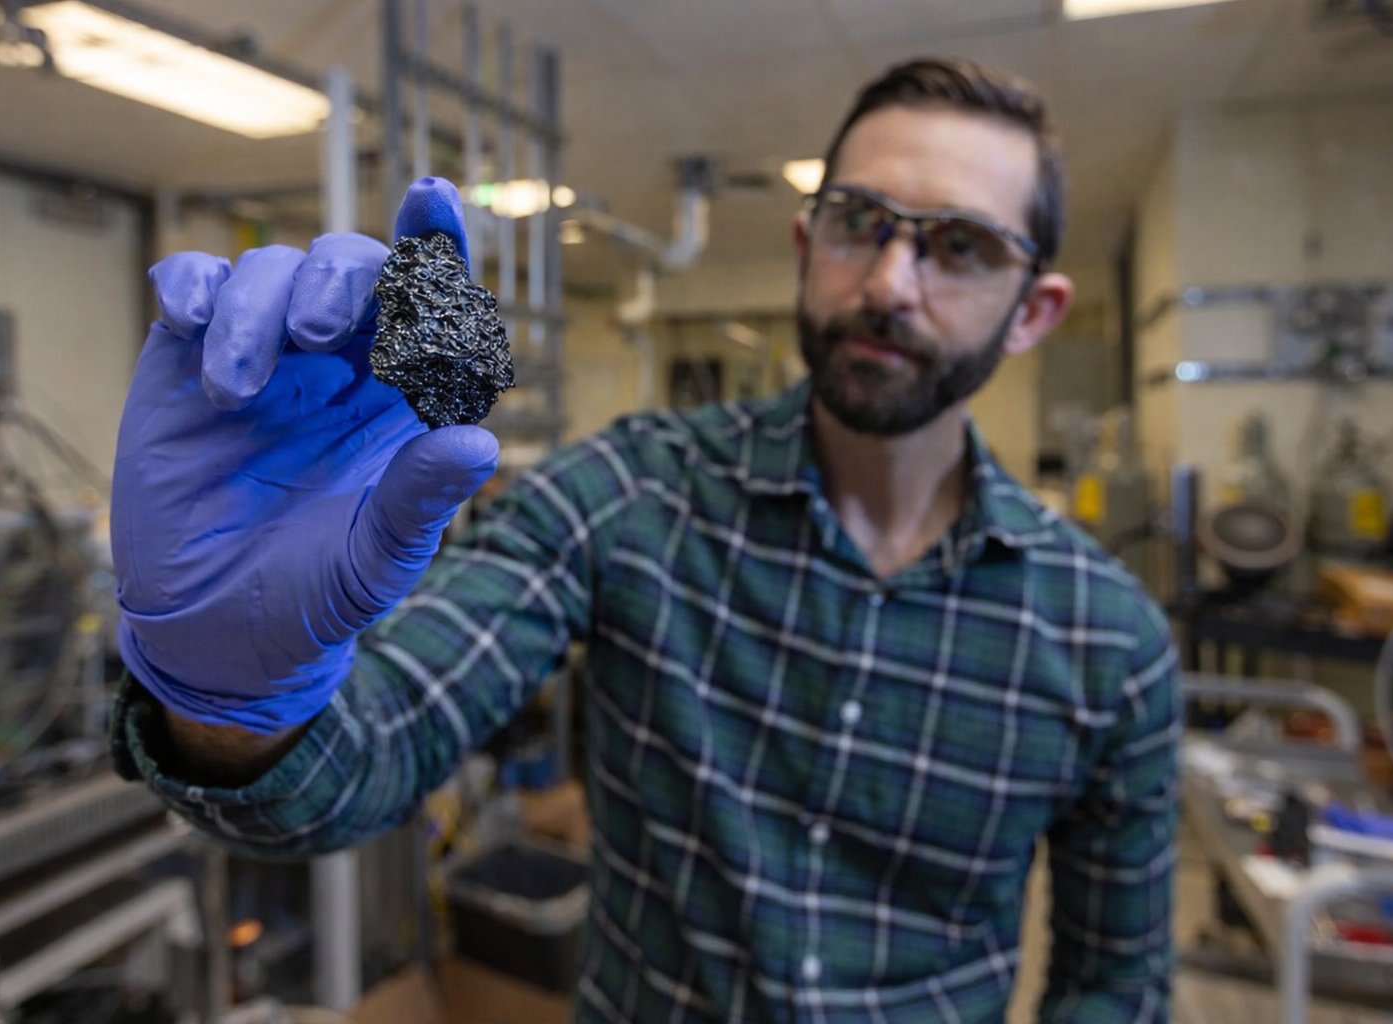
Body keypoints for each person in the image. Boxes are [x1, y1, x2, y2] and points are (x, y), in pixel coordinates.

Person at [110, 58, 1179, 1023]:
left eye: (960, 245)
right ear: (807, 245)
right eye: (860, 220)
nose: (893, 282)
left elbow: (1115, 987)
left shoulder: (1109, 640)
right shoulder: (627, 493)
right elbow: (379, 747)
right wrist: (231, 703)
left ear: (1033, 311)